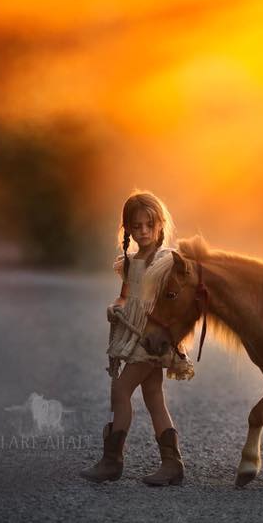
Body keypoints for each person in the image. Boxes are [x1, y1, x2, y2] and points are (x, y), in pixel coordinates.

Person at [79, 190, 191, 485]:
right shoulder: (129, 262)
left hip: (152, 339)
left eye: (148, 226)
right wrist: (115, 308)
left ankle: (112, 461)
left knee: (120, 390)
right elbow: (125, 298)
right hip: (135, 336)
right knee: (153, 396)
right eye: (136, 226)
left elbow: (173, 301)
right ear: (127, 228)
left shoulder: (166, 261)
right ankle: (172, 464)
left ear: (160, 225)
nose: (143, 232)